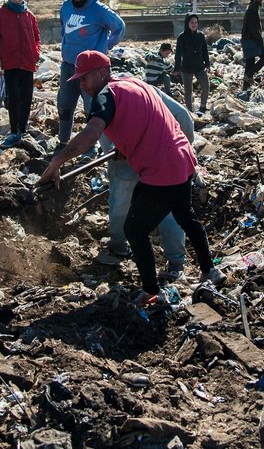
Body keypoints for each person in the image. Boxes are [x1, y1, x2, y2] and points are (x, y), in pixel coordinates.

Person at [39, 51, 225, 305]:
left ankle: (151, 291)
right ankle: (210, 270)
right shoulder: (135, 84)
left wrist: (58, 160)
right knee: (186, 217)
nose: (81, 84)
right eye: (78, 80)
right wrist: (125, 148)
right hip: (182, 160)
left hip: (161, 169)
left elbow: (91, 133)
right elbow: (150, 121)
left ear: (102, 73)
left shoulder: (105, 96)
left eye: (85, 78)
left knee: (134, 230)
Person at [102, 84, 196, 284]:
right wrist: (184, 147)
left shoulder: (104, 98)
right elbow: (184, 116)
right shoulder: (146, 90)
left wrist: (114, 149)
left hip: (130, 159)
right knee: (169, 210)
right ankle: (175, 264)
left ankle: (118, 244)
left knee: (121, 201)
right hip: (161, 161)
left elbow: (103, 137)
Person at [56, 0, 125, 152]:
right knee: (64, 103)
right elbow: (64, 29)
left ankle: (91, 147)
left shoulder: (99, 10)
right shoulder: (66, 7)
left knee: (92, 106)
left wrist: (106, 45)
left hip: (91, 70)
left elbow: (119, 27)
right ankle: (63, 141)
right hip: (69, 65)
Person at [0, 0, 41, 149]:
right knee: (13, 97)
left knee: (26, 97)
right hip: (10, 64)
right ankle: (13, 131)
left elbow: (37, 38)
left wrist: (36, 54)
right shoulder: (0, 13)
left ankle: (22, 129)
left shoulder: (29, 16)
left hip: (28, 63)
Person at [175, 14, 211, 116]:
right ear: (187, 23)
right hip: (186, 67)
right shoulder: (182, 37)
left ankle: (202, 107)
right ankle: (189, 111)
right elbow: (178, 54)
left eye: (196, 22)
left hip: (199, 66)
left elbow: (205, 51)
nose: (194, 24)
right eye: (191, 22)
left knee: (206, 86)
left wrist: (207, 64)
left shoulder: (200, 35)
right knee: (188, 90)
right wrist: (177, 68)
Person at [241, 0, 264, 88]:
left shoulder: (252, 8)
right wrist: (260, 42)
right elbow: (254, 29)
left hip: (247, 38)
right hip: (251, 39)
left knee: (250, 62)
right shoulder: (253, 9)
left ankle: (246, 85)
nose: (261, 0)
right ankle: (249, 75)